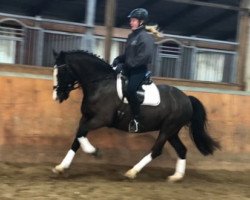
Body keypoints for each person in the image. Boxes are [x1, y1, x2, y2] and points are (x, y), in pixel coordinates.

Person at [112, 8, 155, 133]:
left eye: (134, 20)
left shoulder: (145, 37)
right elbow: (128, 54)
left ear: (141, 22)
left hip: (139, 70)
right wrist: (119, 59)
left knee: (131, 89)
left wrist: (125, 66)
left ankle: (137, 118)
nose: (131, 22)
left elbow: (143, 57)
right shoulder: (132, 36)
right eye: (131, 20)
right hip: (129, 68)